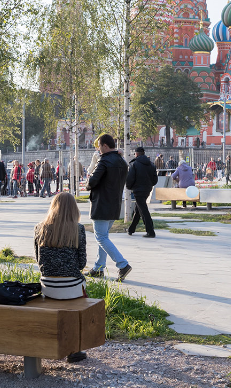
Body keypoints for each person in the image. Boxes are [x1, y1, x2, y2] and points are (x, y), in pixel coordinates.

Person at [33, 191, 89, 363]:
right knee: (79, 301)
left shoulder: (40, 228)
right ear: (74, 209)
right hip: (71, 286)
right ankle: (74, 350)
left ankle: (50, 344)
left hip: (48, 286)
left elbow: (39, 261)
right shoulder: (78, 229)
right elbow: (81, 263)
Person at [86, 134, 131, 281]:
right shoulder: (122, 161)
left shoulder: (104, 161)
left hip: (101, 204)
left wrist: (88, 181)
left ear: (105, 146)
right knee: (104, 237)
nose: (98, 149)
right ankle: (98, 268)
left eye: (99, 146)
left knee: (101, 237)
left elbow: (92, 181)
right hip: (114, 205)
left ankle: (122, 264)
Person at [126, 146, 157, 237]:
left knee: (143, 210)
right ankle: (131, 229)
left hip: (138, 190)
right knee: (138, 209)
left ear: (136, 154)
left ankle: (150, 231)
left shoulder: (134, 164)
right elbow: (155, 179)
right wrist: (149, 185)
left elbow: (130, 178)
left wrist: (129, 187)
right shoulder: (151, 164)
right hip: (147, 189)